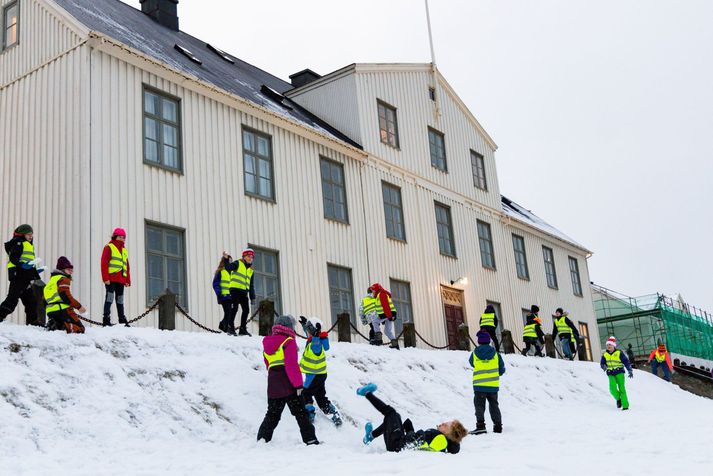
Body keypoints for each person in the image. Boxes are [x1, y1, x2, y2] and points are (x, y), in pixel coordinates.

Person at [257, 314, 319, 445]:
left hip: (273, 383)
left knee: (272, 414)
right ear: (288, 327)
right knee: (301, 413)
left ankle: (262, 439)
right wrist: (298, 385)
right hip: (289, 383)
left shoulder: (267, 343)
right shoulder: (288, 341)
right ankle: (311, 439)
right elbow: (291, 365)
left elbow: (268, 364)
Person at [357, 383, 466, 453]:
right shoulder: (440, 437)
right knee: (396, 418)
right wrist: (410, 431)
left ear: (448, 434)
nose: (442, 423)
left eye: (445, 425)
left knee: (391, 413)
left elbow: (419, 445)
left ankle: (366, 393)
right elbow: (419, 444)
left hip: (396, 446)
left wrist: (412, 433)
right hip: (398, 444)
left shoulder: (440, 438)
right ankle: (369, 437)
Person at [298, 316, 342, 426]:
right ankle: (333, 413)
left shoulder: (315, 344)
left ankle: (309, 413)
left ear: (313, 332)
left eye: (308, 330)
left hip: (313, 375)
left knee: (305, 393)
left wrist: (315, 335)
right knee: (320, 396)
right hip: (321, 374)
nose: (307, 333)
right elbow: (310, 334)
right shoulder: (317, 339)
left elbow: (315, 345)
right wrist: (304, 325)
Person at [0, 224, 44, 325]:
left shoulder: (28, 244)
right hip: (19, 276)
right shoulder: (19, 243)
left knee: (31, 302)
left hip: (26, 277)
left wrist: (35, 272)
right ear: (22, 234)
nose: (31, 236)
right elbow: (14, 258)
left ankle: (33, 322)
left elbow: (28, 261)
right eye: (28, 234)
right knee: (12, 300)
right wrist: (22, 265)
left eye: (31, 234)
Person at [469, 329, 505, 435]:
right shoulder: (496, 354)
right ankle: (498, 426)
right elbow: (501, 369)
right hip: (493, 386)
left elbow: (472, 363)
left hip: (479, 385)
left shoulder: (475, 353)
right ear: (489, 341)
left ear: (479, 341)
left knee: (479, 406)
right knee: (494, 405)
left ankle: (480, 426)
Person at [44, 257, 86, 333]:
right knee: (81, 329)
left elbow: (44, 300)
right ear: (62, 270)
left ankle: (56, 324)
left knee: (61, 322)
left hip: (50, 311)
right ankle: (61, 326)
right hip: (64, 310)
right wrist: (79, 307)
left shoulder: (51, 282)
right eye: (68, 269)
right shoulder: (63, 279)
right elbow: (66, 296)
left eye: (71, 269)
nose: (71, 271)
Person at [100, 227, 131, 327]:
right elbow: (104, 263)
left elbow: (126, 265)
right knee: (109, 298)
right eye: (120, 237)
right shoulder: (109, 247)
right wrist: (105, 278)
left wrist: (127, 280)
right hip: (111, 279)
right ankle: (106, 319)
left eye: (124, 237)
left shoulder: (124, 250)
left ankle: (122, 319)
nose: (122, 239)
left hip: (121, 280)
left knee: (120, 300)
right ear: (115, 237)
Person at [223, 249, 256, 336]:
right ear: (244, 257)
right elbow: (228, 268)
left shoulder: (251, 270)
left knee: (246, 310)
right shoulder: (238, 263)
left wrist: (252, 297)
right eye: (248, 256)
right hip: (235, 290)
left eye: (252, 257)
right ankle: (230, 327)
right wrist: (226, 259)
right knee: (235, 308)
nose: (250, 258)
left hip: (244, 292)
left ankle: (242, 329)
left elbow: (251, 285)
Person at [600, 336, 633, 410]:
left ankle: (625, 406)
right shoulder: (605, 354)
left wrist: (630, 370)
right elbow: (602, 363)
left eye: (610, 345)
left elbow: (626, 362)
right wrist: (603, 366)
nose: (608, 346)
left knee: (622, 389)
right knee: (612, 388)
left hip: (619, 373)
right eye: (607, 345)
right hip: (611, 373)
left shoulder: (619, 353)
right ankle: (618, 399)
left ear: (613, 345)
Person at [369, 283, 398, 349]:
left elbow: (385, 305)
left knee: (375, 321)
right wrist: (388, 317)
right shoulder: (380, 294)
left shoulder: (381, 294)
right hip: (389, 314)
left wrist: (388, 316)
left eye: (373, 290)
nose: (372, 291)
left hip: (387, 314)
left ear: (376, 289)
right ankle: (395, 344)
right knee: (387, 331)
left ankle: (378, 340)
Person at [212, 257, 234, 335]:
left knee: (230, 312)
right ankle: (226, 328)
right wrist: (219, 293)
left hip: (230, 296)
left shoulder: (232, 273)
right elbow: (215, 283)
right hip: (223, 296)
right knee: (228, 311)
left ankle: (222, 324)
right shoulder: (220, 272)